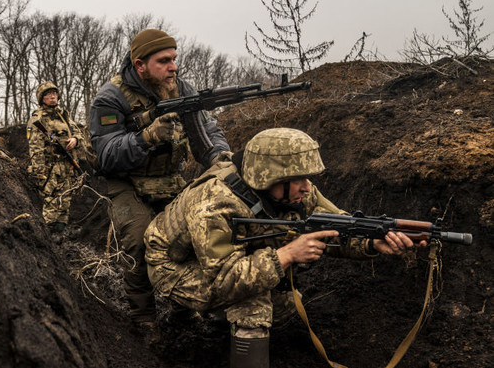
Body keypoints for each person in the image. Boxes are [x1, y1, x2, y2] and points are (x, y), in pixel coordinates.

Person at [144, 128, 425, 368]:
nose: (307, 187)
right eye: (299, 178)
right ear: (271, 177)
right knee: (252, 302)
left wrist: (371, 241)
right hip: (173, 265)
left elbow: (335, 225)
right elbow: (223, 280)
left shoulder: (295, 191)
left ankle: (218, 328)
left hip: (227, 259)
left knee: (286, 305)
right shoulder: (215, 202)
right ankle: (194, 316)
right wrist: (287, 254)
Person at [88, 29, 231, 328]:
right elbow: (106, 156)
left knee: (193, 237)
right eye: (164, 61)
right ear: (140, 65)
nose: (174, 67)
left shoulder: (183, 89)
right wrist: (146, 137)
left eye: (175, 59)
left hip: (169, 179)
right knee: (140, 243)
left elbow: (209, 133)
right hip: (126, 183)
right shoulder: (110, 98)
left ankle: (184, 309)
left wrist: (220, 157)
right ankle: (144, 321)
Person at [27, 82, 85, 236]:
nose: (52, 97)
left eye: (54, 93)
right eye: (47, 94)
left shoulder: (64, 115)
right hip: (51, 168)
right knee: (52, 203)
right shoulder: (38, 119)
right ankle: (45, 238)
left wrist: (75, 140)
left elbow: (79, 134)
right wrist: (40, 173)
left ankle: (59, 238)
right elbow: (35, 148)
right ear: (42, 99)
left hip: (68, 166)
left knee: (65, 203)